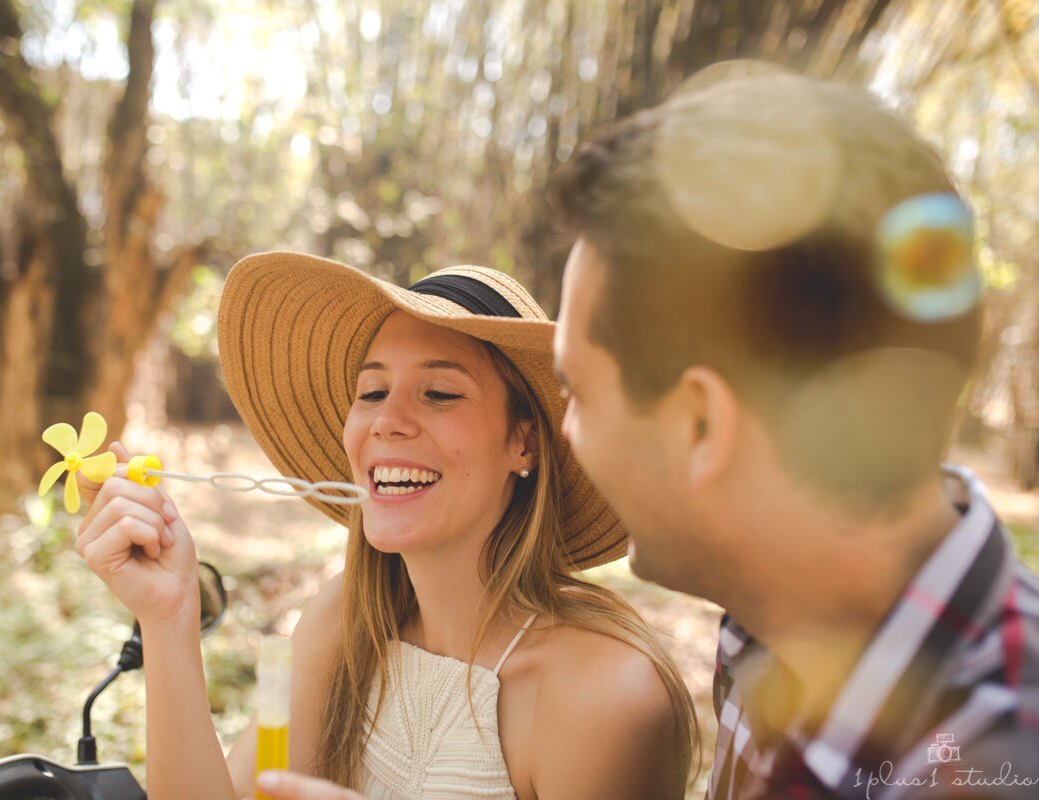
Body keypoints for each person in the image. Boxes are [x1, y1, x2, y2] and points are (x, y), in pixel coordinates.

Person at [252, 66, 1039, 800]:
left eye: (582, 395)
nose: (575, 443)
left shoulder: (994, 756)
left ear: (701, 425)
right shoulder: (771, 638)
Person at [74, 253, 698, 800]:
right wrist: (168, 619)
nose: (387, 421)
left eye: (440, 394)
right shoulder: (338, 622)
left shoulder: (606, 697)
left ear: (524, 443)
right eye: (371, 392)